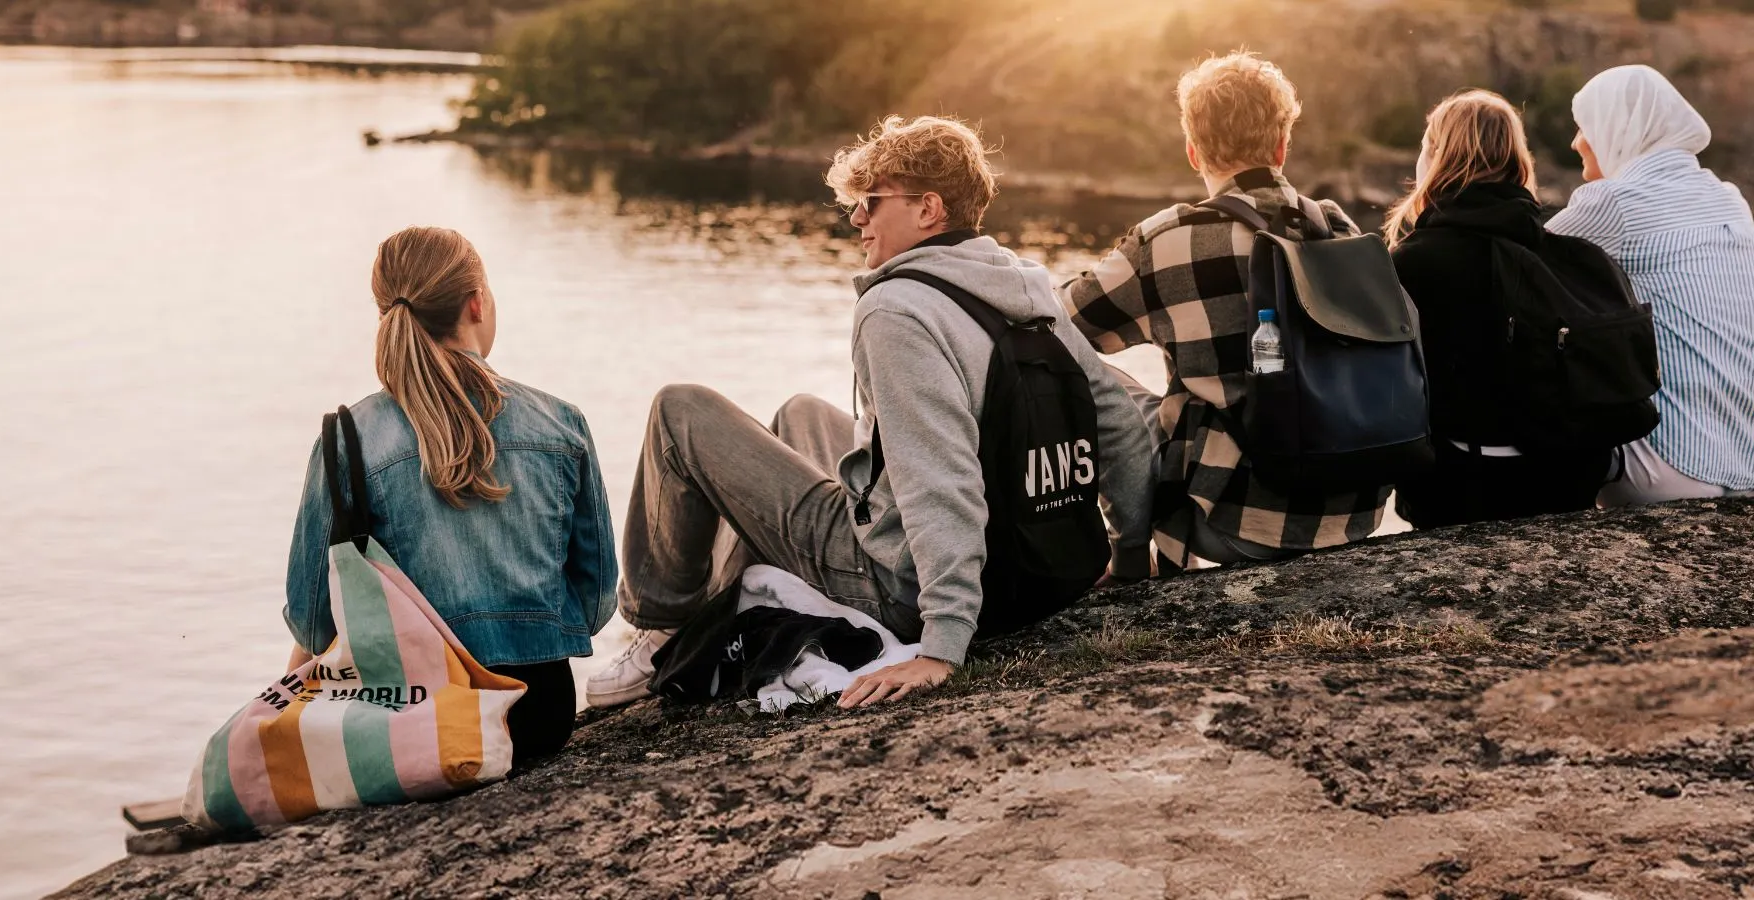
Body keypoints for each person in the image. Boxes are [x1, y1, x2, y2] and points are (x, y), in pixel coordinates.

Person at [586, 115, 1155, 710]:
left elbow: (940, 479)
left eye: (871, 201)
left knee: (681, 411)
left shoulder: (898, 309)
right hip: (1035, 565)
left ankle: (662, 627)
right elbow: (1121, 425)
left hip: (898, 584)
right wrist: (1131, 556)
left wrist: (943, 644)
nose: (856, 218)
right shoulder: (1023, 285)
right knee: (801, 413)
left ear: (928, 209)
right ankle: (735, 604)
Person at [283, 225, 617, 764]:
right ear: (477, 304)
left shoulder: (346, 442)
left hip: (410, 724)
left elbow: (313, 622)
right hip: (539, 718)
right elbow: (598, 599)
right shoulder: (562, 424)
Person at [1061, 52, 1388, 566]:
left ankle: (1126, 554)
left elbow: (1064, 324)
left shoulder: (1165, 241)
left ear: (1193, 152)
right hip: (1351, 514)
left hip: (1230, 521)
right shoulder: (1336, 227)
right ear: (1282, 145)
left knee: (1071, 365)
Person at [1383, 90, 1614, 527]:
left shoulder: (1412, 261)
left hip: (1459, 493)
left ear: (1437, 156)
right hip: (1563, 482)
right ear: (1515, 157)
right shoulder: (1557, 250)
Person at [1545, 65, 1754, 505]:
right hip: (1744, 462)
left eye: (1584, 126)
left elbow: (1519, 268)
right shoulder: (1729, 200)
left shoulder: (1614, 201)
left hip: (1667, 467)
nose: (1576, 142)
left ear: (1618, 127)